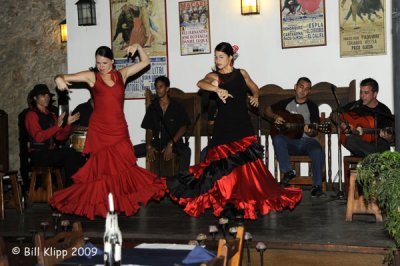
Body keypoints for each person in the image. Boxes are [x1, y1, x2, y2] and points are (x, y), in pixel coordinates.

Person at [164, 42, 302, 220]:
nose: (217, 60)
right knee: (219, 166)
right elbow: (201, 83)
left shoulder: (241, 73)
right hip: (224, 127)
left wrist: (255, 97)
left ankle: (243, 200)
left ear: (230, 58)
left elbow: (254, 88)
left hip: (242, 125)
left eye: (221, 57)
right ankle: (226, 199)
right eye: (215, 57)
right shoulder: (215, 76)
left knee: (247, 166)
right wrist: (217, 88)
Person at [50, 44, 166, 220]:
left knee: (124, 168)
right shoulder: (93, 77)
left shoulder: (122, 75)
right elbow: (63, 77)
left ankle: (117, 205)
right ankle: (102, 208)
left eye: (104, 63)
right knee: (102, 172)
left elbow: (145, 62)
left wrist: (138, 46)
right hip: (100, 130)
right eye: (98, 63)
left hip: (119, 128)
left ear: (112, 61)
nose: (100, 66)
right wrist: (59, 79)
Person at [264, 77, 325, 198]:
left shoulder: (312, 106)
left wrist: (310, 131)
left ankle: (317, 187)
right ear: (295, 87)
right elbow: (267, 110)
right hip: (290, 142)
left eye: (307, 89)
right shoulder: (286, 103)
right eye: (301, 87)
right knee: (277, 138)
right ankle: (288, 172)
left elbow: (314, 131)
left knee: (317, 151)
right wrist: (275, 116)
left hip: (308, 141)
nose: (303, 91)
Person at [24, 84, 85, 187]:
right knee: (69, 154)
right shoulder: (31, 115)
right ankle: (71, 189)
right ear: (35, 98)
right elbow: (38, 137)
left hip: (50, 153)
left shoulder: (51, 115)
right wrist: (57, 126)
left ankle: (75, 188)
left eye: (48, 95)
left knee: (77, 154)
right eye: (43, 95)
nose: (47, 97)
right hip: (38, 155)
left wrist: (68, 125)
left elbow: (59, 137)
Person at [134, 76, 191, 172]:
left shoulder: (177, 106)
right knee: (130, 152)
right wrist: (148, 145)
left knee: (186, 151)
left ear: (167, 88)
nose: (158, 89)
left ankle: (182, 182)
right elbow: (149, 129)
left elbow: (184, 127)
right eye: (156, 87)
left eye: (161, 87)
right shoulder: (153, 107)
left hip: (174, 143)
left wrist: (171, 144)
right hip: (157, 143)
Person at [338, 78, 394, 157]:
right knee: (350, 140)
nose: (362, 95)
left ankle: (372, 157)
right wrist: (343, 125)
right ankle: (375, 157)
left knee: (384, 144)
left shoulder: (384, 111)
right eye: (361, 92)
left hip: (376, 144)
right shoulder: (355, 105)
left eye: (366, 93)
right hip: (360, 143)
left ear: (375, 94)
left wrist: (388, 138)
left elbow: (390, 138)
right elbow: (334, 115)